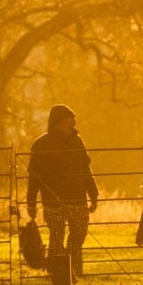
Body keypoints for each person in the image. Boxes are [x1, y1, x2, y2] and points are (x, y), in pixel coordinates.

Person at [26, 104, 101, 274]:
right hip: (53, 201)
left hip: (78, 198)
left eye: (72, 120)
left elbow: (86, 169)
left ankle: (69, 266)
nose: (71, 124)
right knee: (57, 237)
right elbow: (34, 177)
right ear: (57, 122)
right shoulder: (41, 144)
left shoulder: (77, 141)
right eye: (68, 120)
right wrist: (31, 202)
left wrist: (93, 194)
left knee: (80, 233)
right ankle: (58, 272)